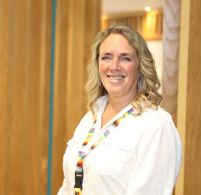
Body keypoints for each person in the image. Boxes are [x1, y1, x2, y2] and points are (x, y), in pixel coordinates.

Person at [57, 23, 182, 195]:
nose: (114, 66)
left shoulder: (156, 126)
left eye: (125, 58)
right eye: (106, 57)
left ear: (140, 66)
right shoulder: (91, 117)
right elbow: (68, 186)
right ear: (97, 63)